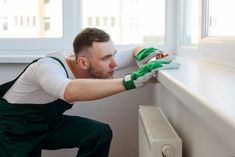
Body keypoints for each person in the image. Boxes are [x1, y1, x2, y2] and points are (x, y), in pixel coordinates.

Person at [0, 27, 179, 157]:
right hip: (13, 130)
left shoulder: (91, 61)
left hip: (47, 124)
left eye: (113, 54)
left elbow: (134, 49)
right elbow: (69, 91)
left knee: (98, 133)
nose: (114, 64)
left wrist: (148, 54)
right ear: (83, 63)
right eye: (106, 58)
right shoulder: (47, 67)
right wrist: (129, 81)